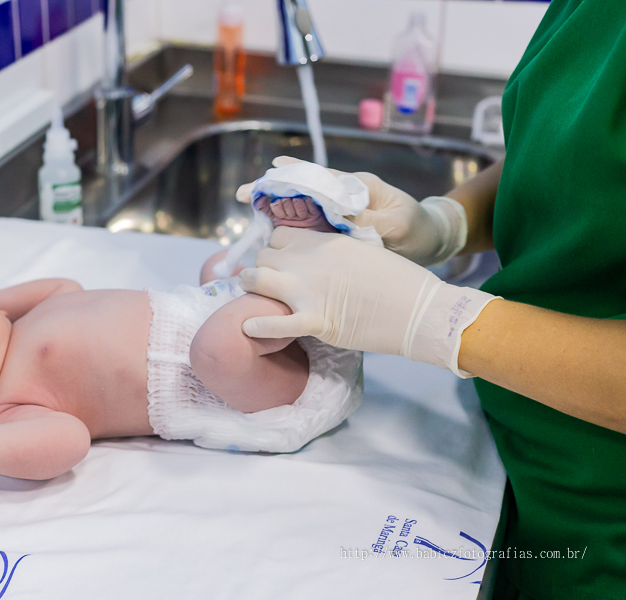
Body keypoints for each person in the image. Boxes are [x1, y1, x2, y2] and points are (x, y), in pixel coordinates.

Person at [235, 1, 626, 597]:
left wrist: (439, 321)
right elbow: (575, 148)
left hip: (601, 530)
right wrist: (446, 223)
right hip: (510, 460)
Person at [0, 206, 362, 481]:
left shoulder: (34, 312)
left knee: (217, 271)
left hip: (216, 315)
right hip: (242, 386)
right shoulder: (2, 413)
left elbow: (66, 286)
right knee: (217, 348)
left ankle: (301, 273)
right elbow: (67, 443)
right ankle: (312, 280)